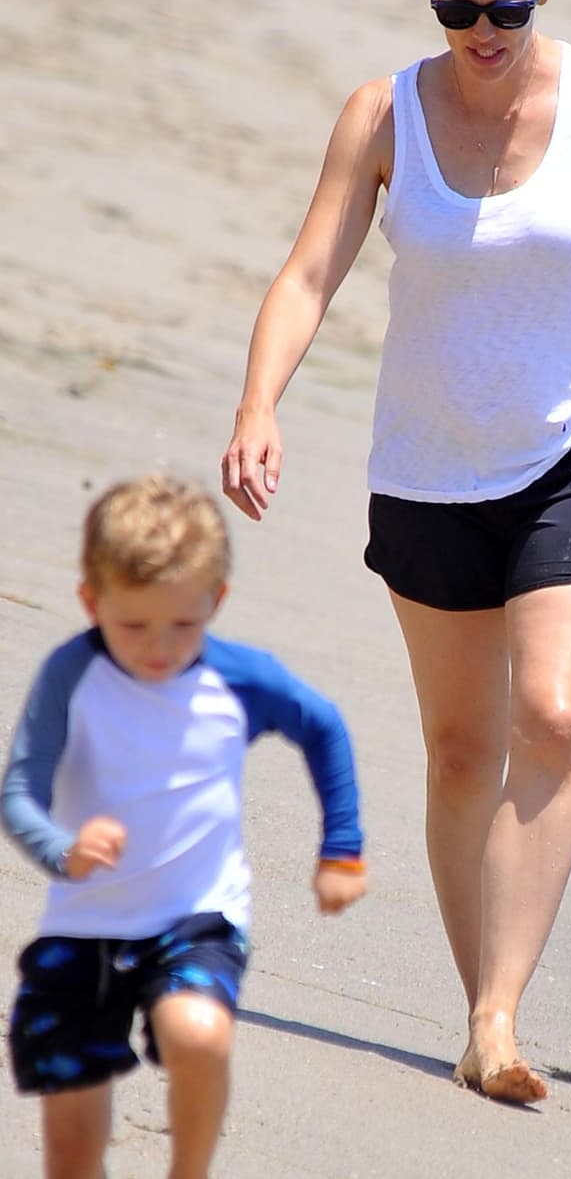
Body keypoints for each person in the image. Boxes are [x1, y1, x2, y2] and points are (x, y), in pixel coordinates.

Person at [220, 0, 571, 1104]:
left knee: (551, 714)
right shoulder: (381, 114)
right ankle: (477, 1002)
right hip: (432, 465)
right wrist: (258, 401)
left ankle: (496, 1018)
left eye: (507, 5)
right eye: (456, 7)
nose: (483, 30)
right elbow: (306, 273)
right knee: (457, 747)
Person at [2, 474, 366, 1179]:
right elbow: (19, 788)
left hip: (197, 916)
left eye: (185, 624)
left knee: (199, 1035)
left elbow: (323, 725)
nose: (161, 647)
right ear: (91, 600)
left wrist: (341, 850)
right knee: (72, 1151)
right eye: (133, 624)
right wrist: (61, 848)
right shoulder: (70, 675)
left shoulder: (238, 678)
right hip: (84, 925)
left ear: (216, 601)